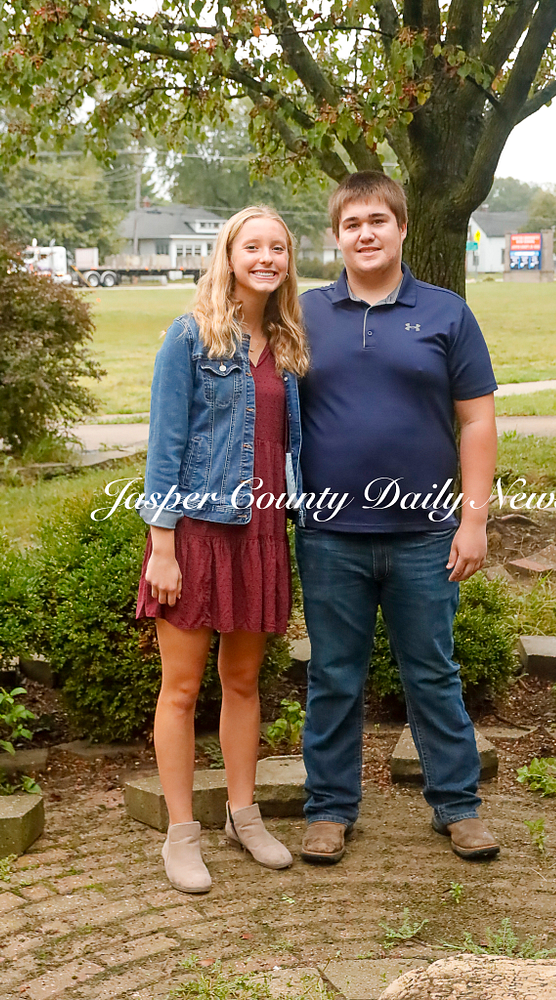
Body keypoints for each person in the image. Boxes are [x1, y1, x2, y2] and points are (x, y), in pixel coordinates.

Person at [296, 172, 500, 865]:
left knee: (432, 673)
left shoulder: (445, 312)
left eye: (377, 220)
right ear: (336, 236)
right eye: (352, 224)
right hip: (328, 535)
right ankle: (327, 809)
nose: (365, 233)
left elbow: (476, 421)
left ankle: (458, 808)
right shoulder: (304, 314)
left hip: (424, 536)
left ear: (402, 227)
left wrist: (472, 522)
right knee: (332, 676)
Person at [136, 206, 308, 893]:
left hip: (262, 535)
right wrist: (163, 548)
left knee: (242, 684)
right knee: (179, 690)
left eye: (278, 247)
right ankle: (182, 833)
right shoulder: (190, 336)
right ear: (229, 254)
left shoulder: (288, 346)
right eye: (252, 246)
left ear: (287, 260)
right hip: (197, 536)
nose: (266, 256)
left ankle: (244, 815)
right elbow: (165, 448)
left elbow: (286, 448)